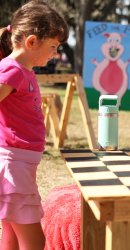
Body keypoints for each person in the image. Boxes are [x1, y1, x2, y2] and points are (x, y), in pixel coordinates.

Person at [0, 1, 69, 249]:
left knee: (10, 234)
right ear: (31, 42)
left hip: (18, 164)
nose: (55, 53)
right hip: (13, 165)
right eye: (52, 46)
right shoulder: (12, 70)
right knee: (34, 241)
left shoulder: (23, 70)